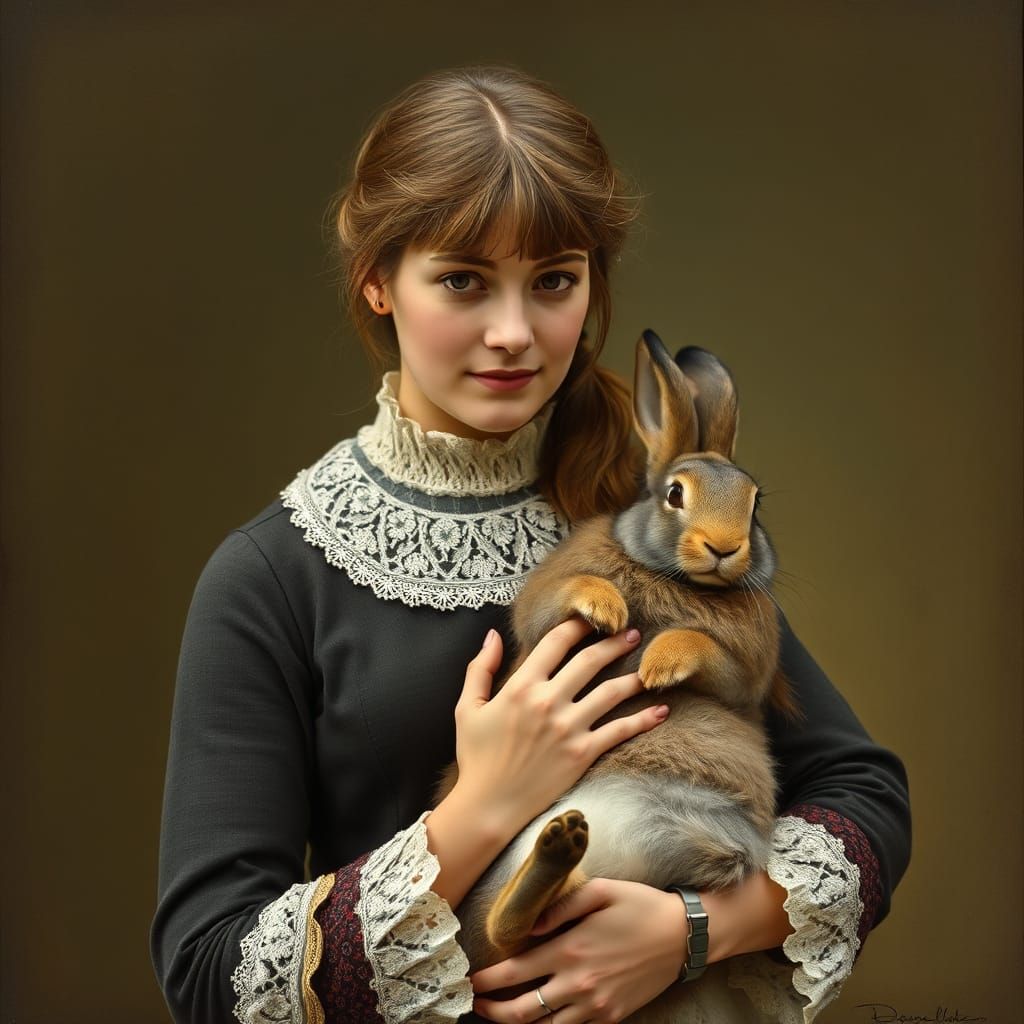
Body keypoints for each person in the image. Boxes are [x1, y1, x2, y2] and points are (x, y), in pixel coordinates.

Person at [151, 65, 911, 1024]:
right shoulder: (272, 577)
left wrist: (692, 931)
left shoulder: (652, 517)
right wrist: (480, 811)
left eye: (553, 281)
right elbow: (210, 975)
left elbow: (865, 792)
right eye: (463, 281)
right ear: (377, 281)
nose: (514, 333)